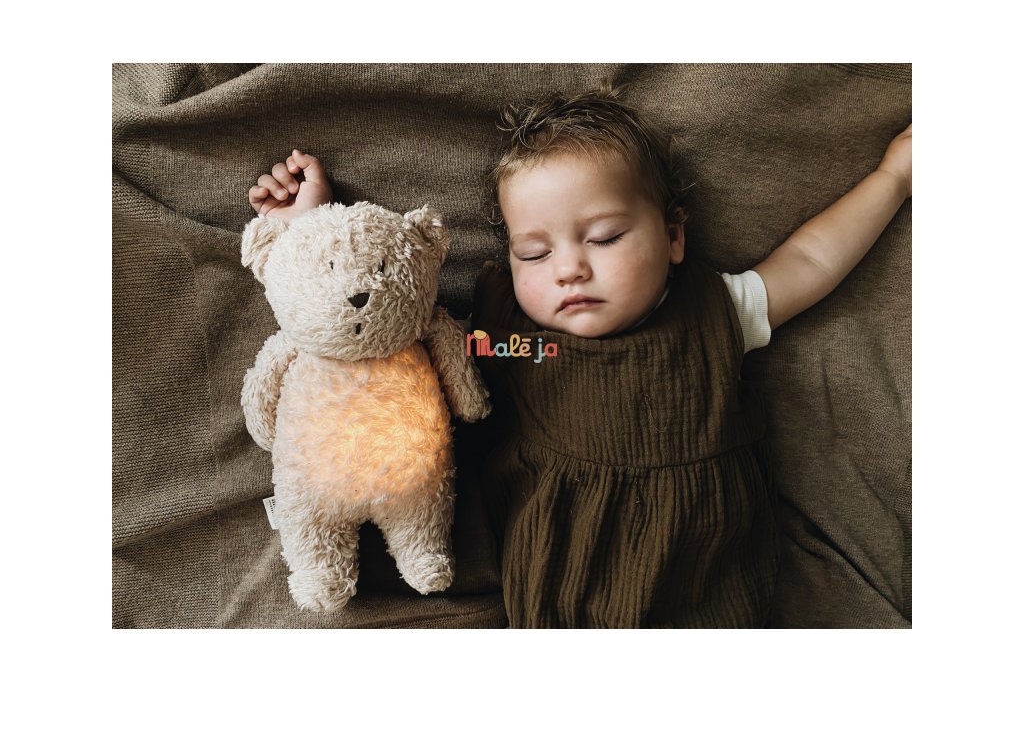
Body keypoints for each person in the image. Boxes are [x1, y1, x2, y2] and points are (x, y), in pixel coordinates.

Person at [247, 86, 912, 627]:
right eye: (534, 253)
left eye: (605, 237)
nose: (569, 268)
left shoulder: (716, 315)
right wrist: (314, 226)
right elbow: (388, 322)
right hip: (559, 589)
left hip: (709, 583)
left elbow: (811, 260)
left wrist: (894, 178)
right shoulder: (520, 341)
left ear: (673, 236)